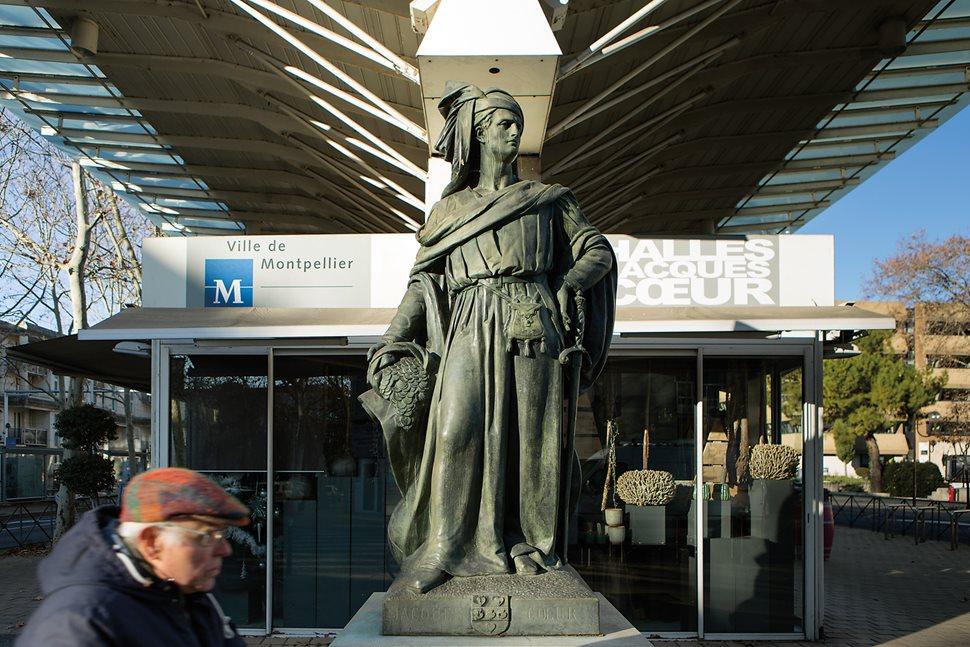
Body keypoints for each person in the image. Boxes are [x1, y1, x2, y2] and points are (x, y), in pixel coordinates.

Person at [362, 83, 616, 594]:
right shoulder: (449, 212)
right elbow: (425, 283)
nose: (514, 129)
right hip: (471, 322)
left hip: (531, 321)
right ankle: (444, 546)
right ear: (478, 134)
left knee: (530, 441)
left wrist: (568, 284)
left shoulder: (547, 202)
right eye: (504, 122)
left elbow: (598, 251)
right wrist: (392, 337)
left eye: (517, 121)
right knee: (456, 429)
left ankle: (530, 547)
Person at [16, 467, 249, 646]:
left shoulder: (186, 593)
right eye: (207, 536)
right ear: (151, 543)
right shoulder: (79, 624)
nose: (225, 550)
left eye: (222, 534)